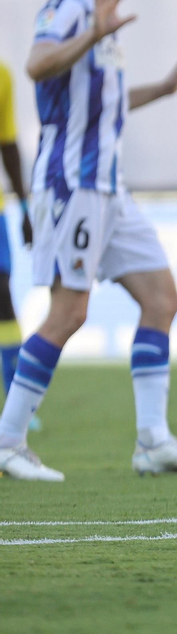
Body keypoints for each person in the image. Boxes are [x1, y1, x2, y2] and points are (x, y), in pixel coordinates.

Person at [0, 0, 177, 482]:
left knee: (162, 299)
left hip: (108, 189)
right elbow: (37, 65)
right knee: (69, 312)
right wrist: (93, 32)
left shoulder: (102, 19)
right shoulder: (70, 8)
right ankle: (8, 441)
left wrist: (162, 90)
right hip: (72, 183)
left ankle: (153, 441)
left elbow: (104, 103)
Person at [0, 58, 35, 430]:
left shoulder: (2, 75)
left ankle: (15, 402)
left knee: (2, 296)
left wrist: (24, 207)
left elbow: (7, 143)